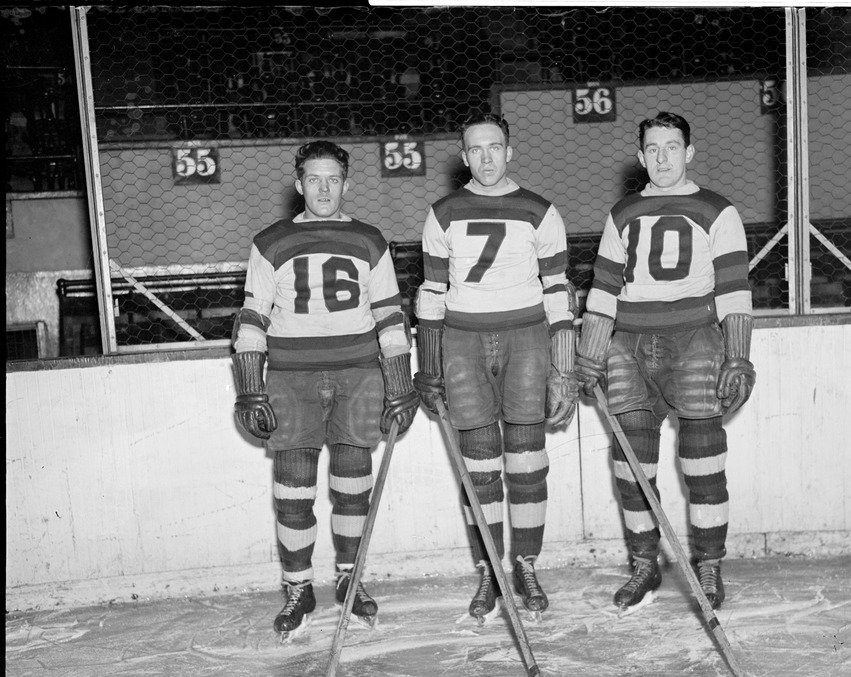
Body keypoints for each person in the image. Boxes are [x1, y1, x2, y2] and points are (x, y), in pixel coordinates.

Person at [231, 140, 419, 641]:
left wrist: (400, 383)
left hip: (359, 374)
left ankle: (350, 579)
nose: (323, 188)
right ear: (298, 185)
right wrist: (250, 387)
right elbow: (252, 318)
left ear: (346, 183)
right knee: (293, 489)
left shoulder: (369, 239)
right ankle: (299, 587)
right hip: (291, 378)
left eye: (332, 178)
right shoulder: (270, 241)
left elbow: (389, 318)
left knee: (352, 486)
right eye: (313, 179)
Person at [574, 111, 755, 615]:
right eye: (652, 149)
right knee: (633, 468)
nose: (662, 158)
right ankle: (644, 563)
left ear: (689, 152)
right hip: (627, 345)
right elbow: (605, 288)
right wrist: (590, 353)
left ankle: (709, 563)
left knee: (703, 462)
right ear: (640, 156)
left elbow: (734, 290)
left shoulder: (718, 211)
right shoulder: (623, 212)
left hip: (696, 341)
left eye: (672, 147)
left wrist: (737, 355)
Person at [413, 112, 578, 622]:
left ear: (511, 151)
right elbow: (432, 293)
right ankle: (489, 569)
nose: (486, 158)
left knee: (527, 460)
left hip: (526, 338)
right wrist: (429, 365)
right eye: (476, 149)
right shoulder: (442, 213)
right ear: (463, 156)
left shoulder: (540, 211)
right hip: (462, 341)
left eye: (495, 147)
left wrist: (564, 367)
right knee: (479, 463)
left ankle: (526, 564)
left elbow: (558, 292)